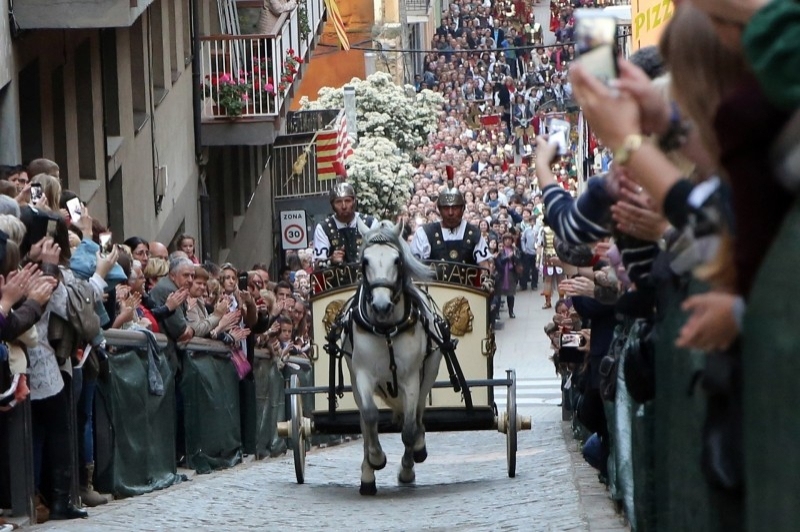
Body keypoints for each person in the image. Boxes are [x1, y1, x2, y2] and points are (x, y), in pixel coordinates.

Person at [410, 175, 491, 268]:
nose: (450, 213)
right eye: (446, 208)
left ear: (462, 209)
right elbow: (415, 267)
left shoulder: (474, 234)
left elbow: (485, 267)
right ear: (439, 209)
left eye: (455, 208)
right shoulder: (424, 233)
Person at [312, 182, 376, 266]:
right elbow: (317, 264)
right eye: (338, 202)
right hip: (336, 274)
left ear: (354, 202)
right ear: (332, 205)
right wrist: (331, 260)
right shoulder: (323, 228)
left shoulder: (370, 223)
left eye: (348, 201)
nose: (344, 206)